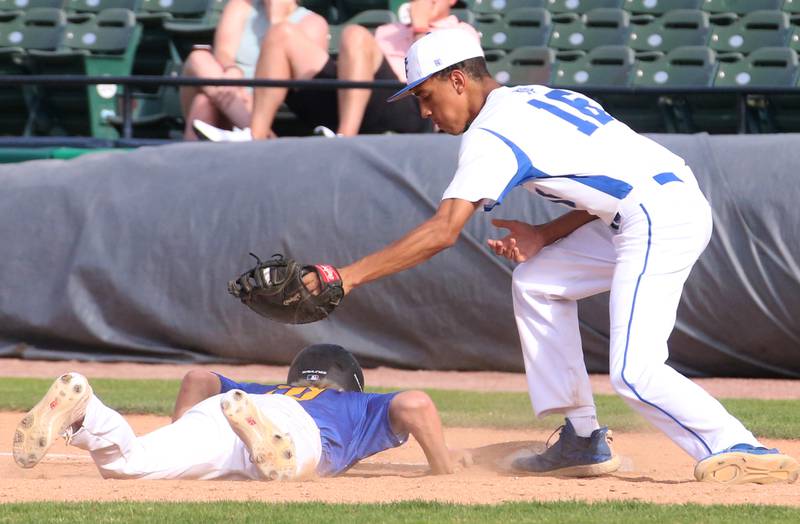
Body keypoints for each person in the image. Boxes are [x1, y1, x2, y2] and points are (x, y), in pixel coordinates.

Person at [300, 28, 800, 484]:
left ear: (457, 80)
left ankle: (736, 445)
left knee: (634, 372)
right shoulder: (537, 97)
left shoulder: (491, 134)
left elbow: (443, 231)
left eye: (426, 96)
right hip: (649, 205)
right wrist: (545, 233)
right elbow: (611, 180)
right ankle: (581, 439)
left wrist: (347, 275)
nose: (425, 113)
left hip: (657, 217)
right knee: (538, 281)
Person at [13, 344, 469, 480]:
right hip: (294, 428)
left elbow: (197, 379)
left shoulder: (269, 386)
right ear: (349, 381)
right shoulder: (356, 403)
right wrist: (443, 469)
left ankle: (86, 412)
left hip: (227, 410)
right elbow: (416, 403)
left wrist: (187, 432)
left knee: (130, 463)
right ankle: (274, 451)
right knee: (293, 465)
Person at [192, 0, 478, 141]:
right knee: (282, 33)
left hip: (414, 107)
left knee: (354, 33)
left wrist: (419, 27)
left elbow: (434, 83)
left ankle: (344, 139)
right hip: (358, 99)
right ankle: (254, 137)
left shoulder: (460, 31)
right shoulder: (386, 31)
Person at [181, 0, 328, 140]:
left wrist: (276, 20)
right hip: (227, 83)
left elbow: (302, 88)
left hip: (263, 101)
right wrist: (232, 69)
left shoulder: (313, 23)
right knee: (198, 58)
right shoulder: (241, 6)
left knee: (204, 101)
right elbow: (223, 52)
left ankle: (256, 134)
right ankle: (264, 138)